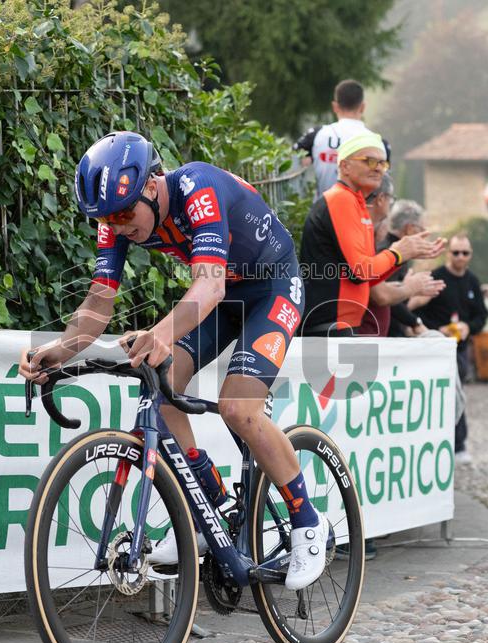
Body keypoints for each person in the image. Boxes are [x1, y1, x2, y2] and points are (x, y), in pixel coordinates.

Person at [17, 131, 324, 590]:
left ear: (153, 184)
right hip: (222, 295)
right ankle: (209, 507)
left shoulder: (197, 189)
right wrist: (57, 351)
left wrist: (158, 333)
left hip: (272, 286)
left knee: (238, 408)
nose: (118, 226)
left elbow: (210, 285)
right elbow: (99, 302)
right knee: (161, 386)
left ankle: (307, 523)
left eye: (124, 214)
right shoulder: (116, 221)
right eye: (106, 219)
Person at [299, 131, 445, 336]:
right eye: (369, 161)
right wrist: (397, 253)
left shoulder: (357, 205)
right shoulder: (341, 200)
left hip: (341, 325)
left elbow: (368, 277)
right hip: (330, 326)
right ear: (345, 166)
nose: (378, 168)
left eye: (382, 163)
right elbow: (361, 270)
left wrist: (405, 253)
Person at [410, 235, 487, 462]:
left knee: (456, 392)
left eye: (465, 253)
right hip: (433, 346)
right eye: (456, 253)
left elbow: (481, 316)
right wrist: (438, 329)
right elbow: (415, 314)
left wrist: (468, 327)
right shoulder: (436, 277)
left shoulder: (473, 281)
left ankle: (458, 443)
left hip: (459, 348)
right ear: (448, 253)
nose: (460, 257)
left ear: (470, 255)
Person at [358, 181, 445, 336]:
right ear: (410, 228)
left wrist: (412, 294)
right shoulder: (391, 251)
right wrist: (415, 321)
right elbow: (382, 296)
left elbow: (394, 296)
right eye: (423, 230)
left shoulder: (394, 251)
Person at [293, 80, 387, 200]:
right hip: (360, 214)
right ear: (363, 107)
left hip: (322, 212)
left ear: (335, 106)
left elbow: (290, 160)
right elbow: (384, 183)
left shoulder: (317, 134)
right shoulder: (378, 143)